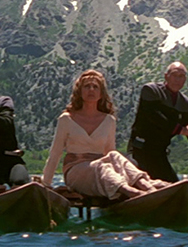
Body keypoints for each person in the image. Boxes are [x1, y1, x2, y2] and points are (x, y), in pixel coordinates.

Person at [38, 69, 173, 201]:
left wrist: (121, 171)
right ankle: (132, 192)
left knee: (115, 156)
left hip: (101, 169)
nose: (91, 90)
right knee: (100, 166)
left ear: (101, 93)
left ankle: (148, 186)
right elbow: (55, 153)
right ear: (80, 92)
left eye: (95, 87)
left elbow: (110, 152)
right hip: (76, 171)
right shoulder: (67, 119)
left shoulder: (109, 120)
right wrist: (46, 184)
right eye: (87, 86)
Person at [127, 61, 188, 185]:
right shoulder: (151, 90)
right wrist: (181, 129)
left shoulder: (186, 105)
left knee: (173, 188)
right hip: (139, 149)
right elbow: (155, 116)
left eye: (181, 76)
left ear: (185, 80)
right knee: (139, 183)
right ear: (166, 76)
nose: (177, 80)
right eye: (174, 75)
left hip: (159, 154)